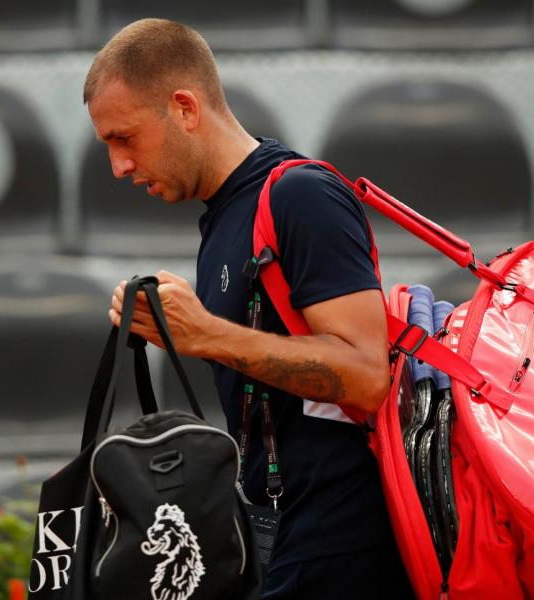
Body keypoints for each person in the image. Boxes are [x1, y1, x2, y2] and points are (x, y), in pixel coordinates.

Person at [84, 18, 413, 599]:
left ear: (185, 108)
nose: (119, 167)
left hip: (342, 547)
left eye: (124, 138)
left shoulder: (300, 194)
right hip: (281, 540)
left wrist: (207, 334)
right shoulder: (224, 216)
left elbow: (366, 376)